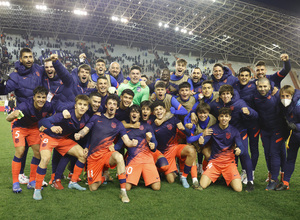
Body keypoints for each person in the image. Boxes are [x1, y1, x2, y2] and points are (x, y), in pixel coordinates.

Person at [74, 94, 138, 203]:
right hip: (93, 157)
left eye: (114, 104)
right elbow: (86, 129)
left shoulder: (118, 124)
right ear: (106, 105)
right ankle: (104, 177)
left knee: (119, 156)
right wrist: (79, 134)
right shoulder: (96, 117)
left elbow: (126, 141)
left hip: (107, 154)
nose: (112, 106)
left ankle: (123, 192)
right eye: (110, 103)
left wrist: (132, 143)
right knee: (93, 187)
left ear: (117, 107)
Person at [33, 95, 92, 200]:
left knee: (83, 154)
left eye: (85, 105)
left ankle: (73, 182)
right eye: (80, 104)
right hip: (49, 136)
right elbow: (42, 122)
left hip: (62, 139)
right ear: (75, 106)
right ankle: (37, 189)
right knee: (45, 159)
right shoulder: (66, 115)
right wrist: (52, 127)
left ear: (88, 107)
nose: (82, 107)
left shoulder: (86, 118)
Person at [210, 85, 257, 191]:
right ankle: (229, 177)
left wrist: (249, 112)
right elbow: (206, 109)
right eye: (223, 94)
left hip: (240, 132)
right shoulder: (216, 103)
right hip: (226, 134)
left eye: (228, 93)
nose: (225, 96)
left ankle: (250, 181)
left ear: (231, 94)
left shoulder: (239, 103)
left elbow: (255, 115)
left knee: (244, 154)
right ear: (220, 95)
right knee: (231, 156)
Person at [7, 86, 53, 193]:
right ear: (34, 97)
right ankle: (15, 182)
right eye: (38, 97)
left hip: (33, 128)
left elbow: (52, 116)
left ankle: (32, 181)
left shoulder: (48, 106)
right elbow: (8, 119)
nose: (41, 100)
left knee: (38, 152)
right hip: (19, 127)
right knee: (20, 150)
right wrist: (12, 115)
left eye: (43, 97)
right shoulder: (24, 106)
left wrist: (46, 124)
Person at [151, 101, 200, 189]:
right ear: (154, 112)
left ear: (165, 110)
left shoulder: (173, 119)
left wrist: (184, 129)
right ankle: (162, 171)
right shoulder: (152, 125)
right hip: (163, 153)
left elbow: (188, 134)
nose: (159, 111)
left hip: (174, 147)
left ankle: (184, 176)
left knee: (191, 150)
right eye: (156, 110)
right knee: (171, 180)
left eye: (160, 109)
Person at [115, 105, 160, 191]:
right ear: (129, 114)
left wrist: (153, 145)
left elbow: (154, 144)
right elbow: (119, 145)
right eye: (132, 112)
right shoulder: (125, 129)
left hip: (147, 160)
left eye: (137, 112)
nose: (134, 114)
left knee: (156, 187)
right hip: (133, 161)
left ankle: (142, 175)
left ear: (140, 115)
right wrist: (111, 149)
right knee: (127, 187)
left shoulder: (147, 126)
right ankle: (137, 175)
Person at [251, 77, 286, 190]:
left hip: (278, 129)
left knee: (274, 153)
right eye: (260, 86)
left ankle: (274, 180)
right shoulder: (254, 96)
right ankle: (273, 175)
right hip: (264, 130)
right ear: (257, 86)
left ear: (270, 87)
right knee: (267, 153)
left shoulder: (277, 95)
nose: (262, 89)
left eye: (265, 86)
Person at [199, 107, 244, 192]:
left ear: (230, 118)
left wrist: (239, 150)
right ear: (218, 118)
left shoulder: (234, 131)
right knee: (202, 185)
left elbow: (241, 146)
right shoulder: (212, 129)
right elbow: (203, 143)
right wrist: (201, 142)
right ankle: (220, 175)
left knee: (238, 189)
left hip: (229, 163)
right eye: (222, 116)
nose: (224, 118)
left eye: (226, 116)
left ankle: (226, 176)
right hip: (215, 162)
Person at [233, 67, 260, 181]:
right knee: (240, 148)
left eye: (246, 76)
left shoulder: (255, 87)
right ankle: (240, 171)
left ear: (250, 77)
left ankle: (250, 172)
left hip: (253, 123)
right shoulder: (234, 86)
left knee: (254, 148)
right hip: (241, 123)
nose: (244, 78)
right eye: (242, 75)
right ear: (238, 76)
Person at [276, 85, 300, 190]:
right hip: (293, 136)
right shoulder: (283, 106)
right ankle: (285, 182)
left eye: (287, 96)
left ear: (292, 95)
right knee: (290, 159)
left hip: (296, 131)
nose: (285, 98)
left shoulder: (299, 104)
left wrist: (296, 126)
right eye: (282, 96)